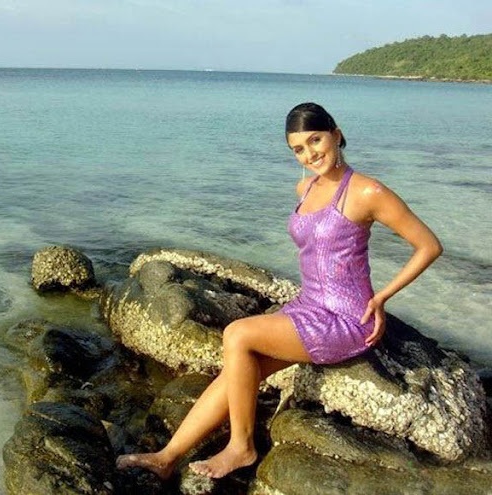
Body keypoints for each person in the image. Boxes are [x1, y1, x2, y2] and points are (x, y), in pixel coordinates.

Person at [116, 102, 443, 479]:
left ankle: (241, 448)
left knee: (237, 334)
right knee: (240, 370)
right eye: (298, 149)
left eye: (315, 140)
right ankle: (167, 457)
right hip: (307, 306)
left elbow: (428, 246)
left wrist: (381, 297)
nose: (310, 154)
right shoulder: (305, 187)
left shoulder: (368, 191)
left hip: (346, 319)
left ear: (336, 134)